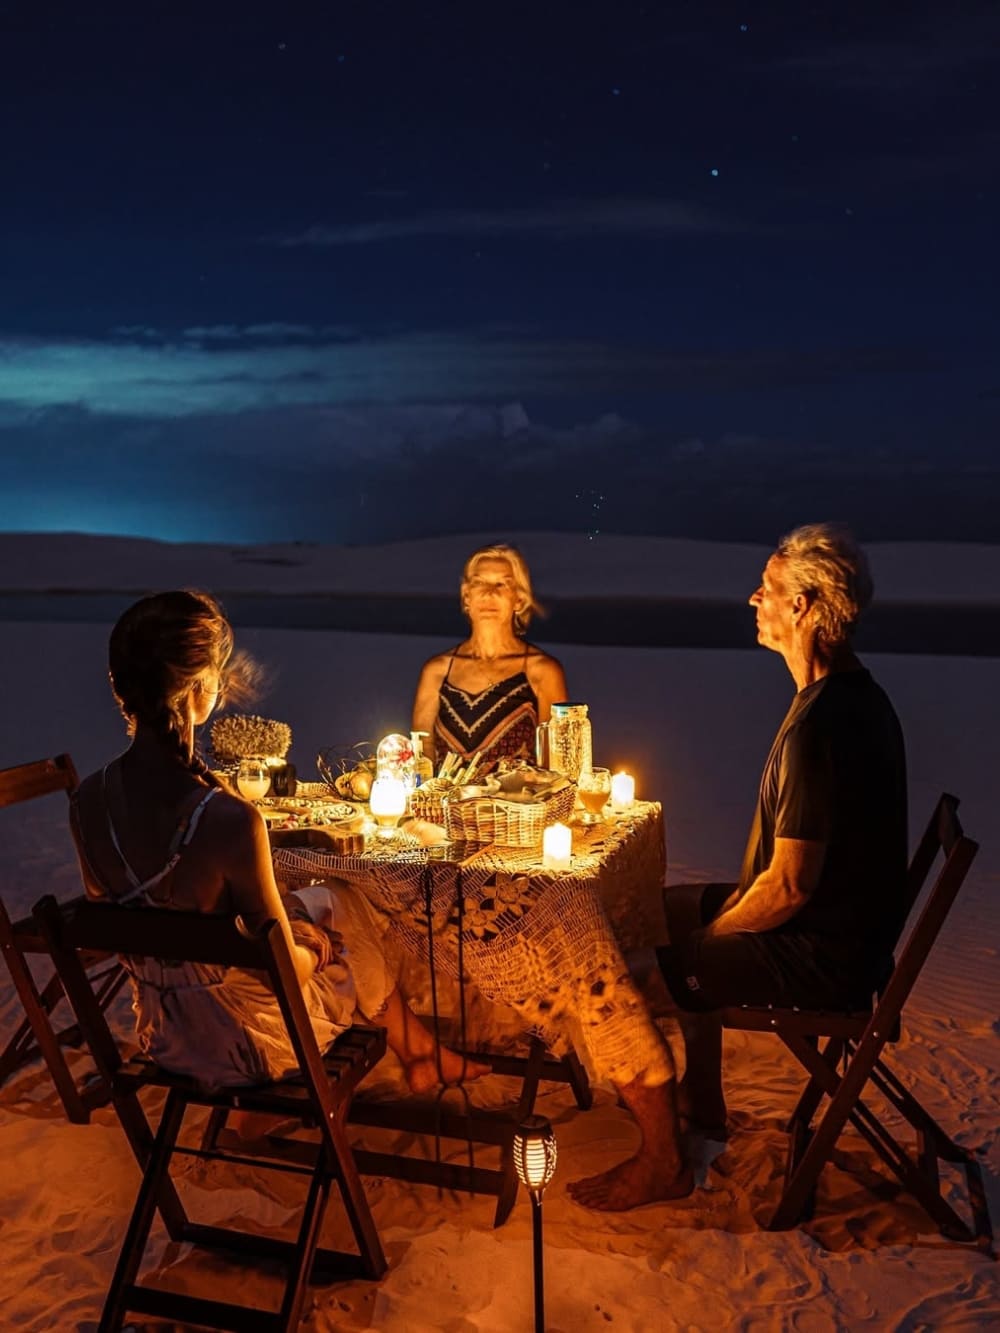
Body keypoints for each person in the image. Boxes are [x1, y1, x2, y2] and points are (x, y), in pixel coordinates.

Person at [569, 522, 908, 1210]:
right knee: (660, 910)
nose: (755, 597)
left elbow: (787, 888)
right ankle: (703, 1101)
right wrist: (706, 928)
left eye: (771, 587)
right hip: (841, 932)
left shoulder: (824, 726)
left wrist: (710, 942)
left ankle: (661, 1159)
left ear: (805, 606)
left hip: (819, 955)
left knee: (616, 987)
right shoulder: (847, 695)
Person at [69, 589, 487, 1095]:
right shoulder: (227, 820)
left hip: (166, 1037)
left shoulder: (89, 801)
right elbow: (283, 973)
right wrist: (313, 948)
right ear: (200, 685)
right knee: (342, 911)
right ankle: (417, 1052)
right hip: (251, 1045)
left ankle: (418, 1052)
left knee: (327, 900)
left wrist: (289, 933)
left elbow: (126, 928)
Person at [411, 543, 569, 772]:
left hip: (517, 807)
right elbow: (421, 754)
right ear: (467, 597)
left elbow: (556, 764)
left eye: (502, 584)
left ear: (519, 600)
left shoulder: (541, 671)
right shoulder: (437, 671)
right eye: (479, 583)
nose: (489, 593)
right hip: (448, 807)